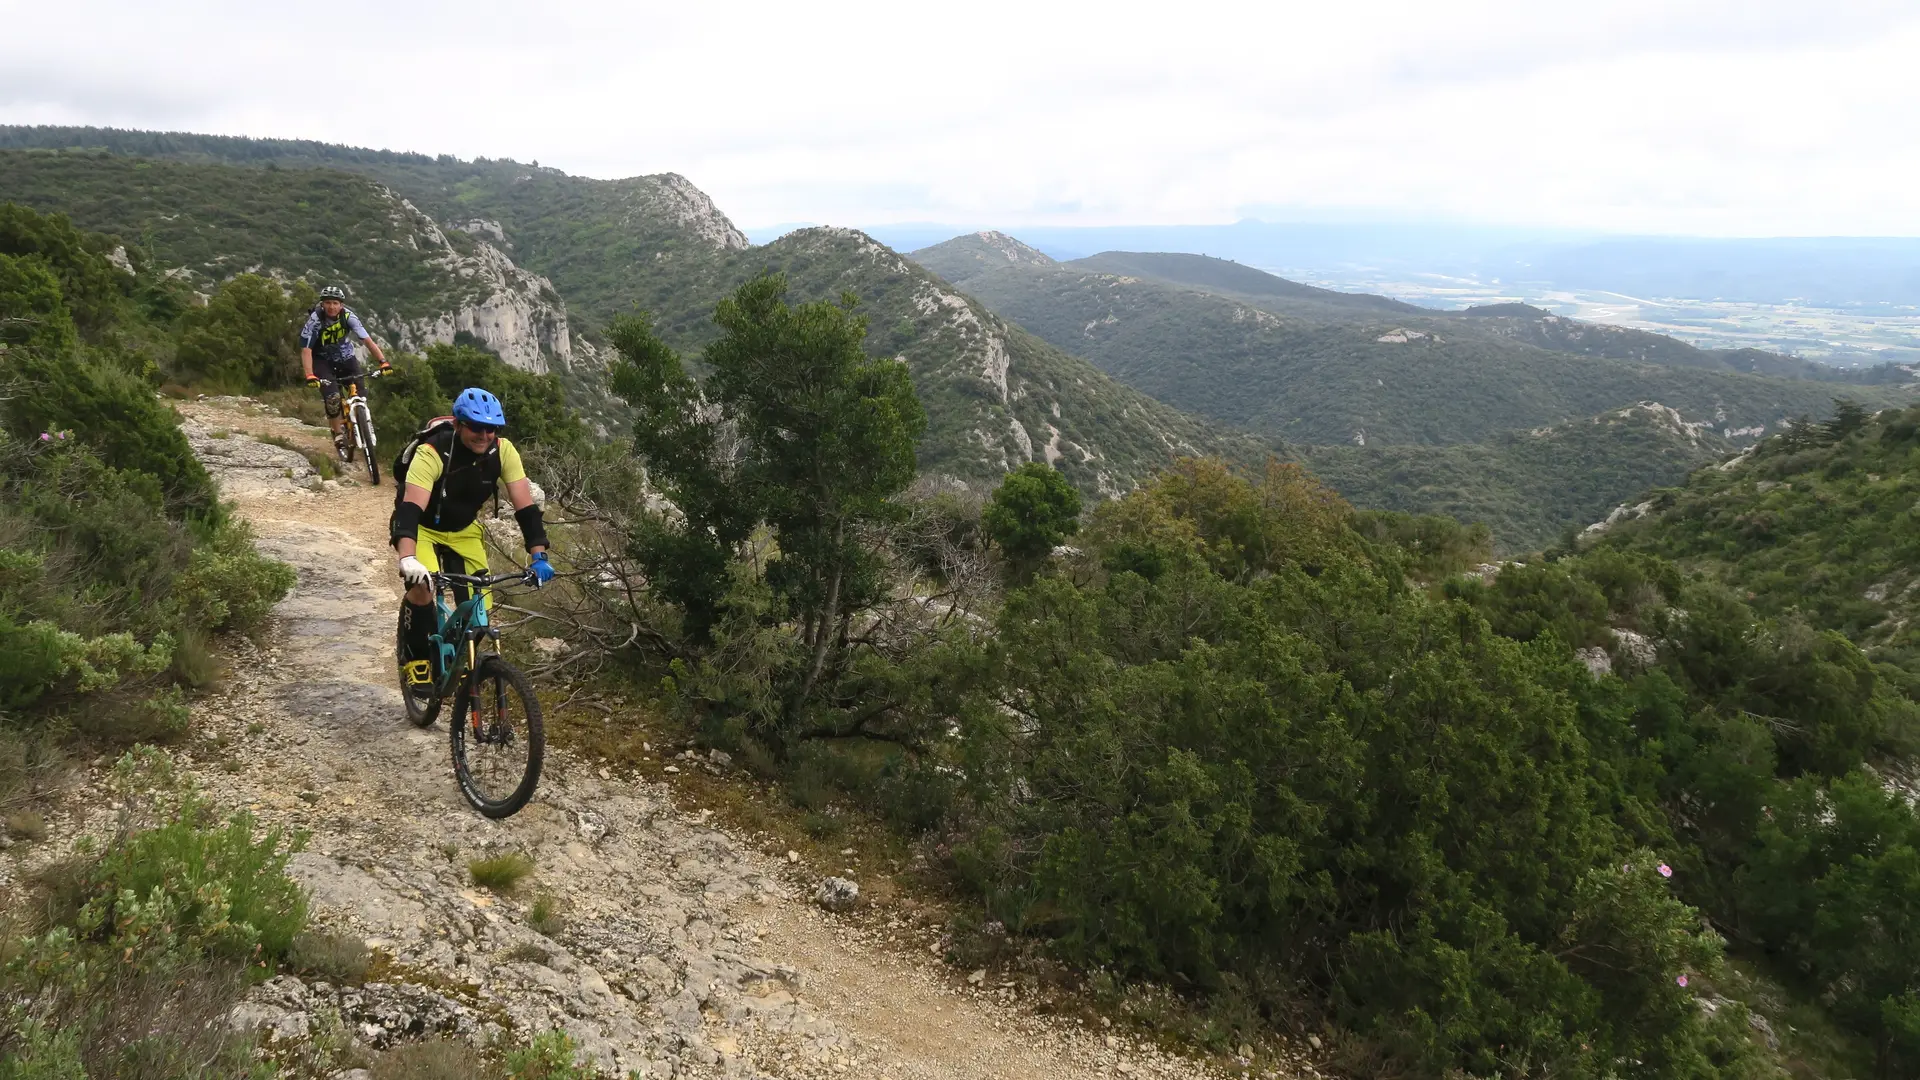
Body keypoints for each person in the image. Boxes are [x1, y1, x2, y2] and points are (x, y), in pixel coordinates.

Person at [391, 388, 555, 698]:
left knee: (480, 608)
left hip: (464, 530)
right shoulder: (433, 451)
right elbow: (410, 509)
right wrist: (408, 559)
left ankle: (460, 658)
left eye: (491, 428)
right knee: (422, 588)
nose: (484, 435)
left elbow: (525, 506)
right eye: (475, 427)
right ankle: (417, 659)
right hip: (423, 528)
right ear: (458, 424)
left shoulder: (503, 451)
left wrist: (539, 555)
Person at [300, 285, 389, 455]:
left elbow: (367, 340)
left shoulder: (349, 316)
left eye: (335, 303)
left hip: (347, 359)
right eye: (327, 303)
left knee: (361, 395)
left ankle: (361, 422)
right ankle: (338, 434)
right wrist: (309, 374)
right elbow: (306, 350)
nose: (331, 307)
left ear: (341, 305)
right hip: (322, 362)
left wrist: (383, 362)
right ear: (322, 304)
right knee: (333, 399)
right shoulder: (314, 321)